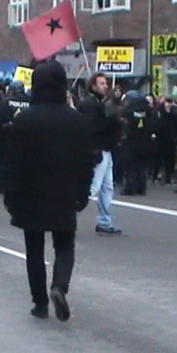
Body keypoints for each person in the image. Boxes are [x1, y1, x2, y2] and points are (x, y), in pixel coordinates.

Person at [2, 61, 94, 322]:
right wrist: (83, 191)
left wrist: (10, 193)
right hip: (64, 190)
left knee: (34, 250)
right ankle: (59, 286)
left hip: (30, 192)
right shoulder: (77, 121)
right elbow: (86, 161)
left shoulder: (24, 120)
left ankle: (40, 302)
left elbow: (12, 161)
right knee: (65, 245)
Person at [77, 72, 122, 235]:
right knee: (92, 187)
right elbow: (91, 128)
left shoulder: (99, 103)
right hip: (98, 149)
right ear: (93, 86)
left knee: (106, 187)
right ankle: (69, 217)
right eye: (101, 83)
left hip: (106, 148)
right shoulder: (90, 104)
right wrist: (110, 122)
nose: (105, 86)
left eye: (106, 83)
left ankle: (104, 221)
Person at [0, 81, 30, 192]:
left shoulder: (6, 102)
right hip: (26, 138)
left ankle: (3, 186)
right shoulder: (30, 102)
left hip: (7, 137)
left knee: (5, 163)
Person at [120, 90, 152, 196]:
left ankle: (130, 188)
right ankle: (141, 188)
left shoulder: (128, 111)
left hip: (131, 141)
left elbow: (125, 126)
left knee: (130, 166)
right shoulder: (147, 110)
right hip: (144, 141)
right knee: (141, 166)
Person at [151, 97, 177, 185]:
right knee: (158, 159)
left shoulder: (174, 113)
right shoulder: (159, 112)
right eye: (167, 102)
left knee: (169, 160)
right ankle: (155, 176)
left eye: (170, 102)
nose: (169, 104)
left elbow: (176, 124)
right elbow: (155, 123)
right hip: (160, 138)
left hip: (170, 139)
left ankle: (168, 178)